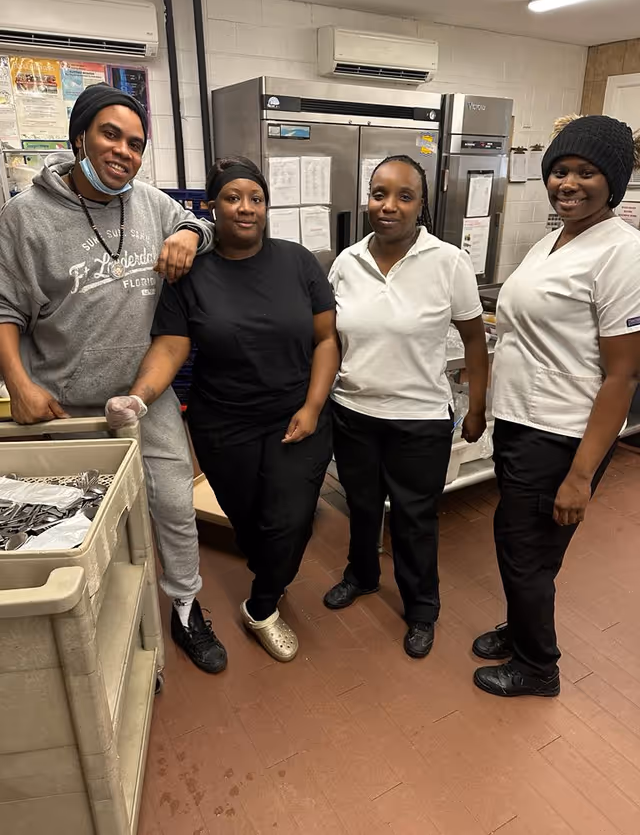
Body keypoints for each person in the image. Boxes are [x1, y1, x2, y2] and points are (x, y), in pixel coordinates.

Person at [0, 83, 228, 675]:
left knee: (173, 504)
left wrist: (188, 233)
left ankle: (185, 607)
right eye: (110, 135)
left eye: (136, 143)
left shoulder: (151, 204)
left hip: (146, 398)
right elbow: (5, 309)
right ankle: (97, 623)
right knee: (78, 522)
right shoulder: (24, 216)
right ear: (79, 138)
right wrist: (20, 385)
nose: (124, 151)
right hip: (66, 405)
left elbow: (202, 226)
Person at [106, 156, 340, 662]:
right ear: (212, 206)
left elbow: (326, 338)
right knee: (250, 522)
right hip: (223, 424)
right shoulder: (191, 274)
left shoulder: (298, 262)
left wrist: (313, 405)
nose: (246, 207)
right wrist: (140, 396)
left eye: (256, 198)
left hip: (296, 417)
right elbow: (172, 344)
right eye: (233, 198)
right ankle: (270, 567)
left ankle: (262, 606)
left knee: (291, 519)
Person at [473, 115, 640, 698]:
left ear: (612, 182)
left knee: (525, 551)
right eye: (560, 171)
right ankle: (522, 625)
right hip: (522, 422)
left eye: (586, 172)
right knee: (526, 545)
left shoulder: (622, 254)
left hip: (562, 433)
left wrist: (580, 476)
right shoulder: (554, 239)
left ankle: (537, 667)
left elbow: (622, 375)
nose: (568, 183)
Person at [323, 155, 489, 658]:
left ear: (421, 204)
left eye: (404, 196)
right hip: (353, 412)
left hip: (419, 419)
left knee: (415, 518)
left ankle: (421, 608)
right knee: (362, 505)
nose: (388, 206)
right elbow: (330, 341)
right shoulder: (346, 262)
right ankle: (362, 575)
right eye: (379, 194)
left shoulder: (448, 261)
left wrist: (476, 408)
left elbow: (474, 341)